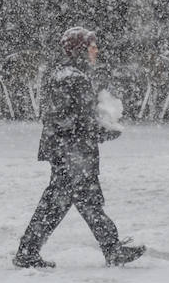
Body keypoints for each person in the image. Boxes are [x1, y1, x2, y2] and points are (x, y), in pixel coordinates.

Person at [13, 26, 146, 269]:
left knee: (81, 201)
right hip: (71, 152)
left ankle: (110, 248)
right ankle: (29, 251)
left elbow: (77, 117)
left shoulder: (72, 74)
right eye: (92, 46)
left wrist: (100, 126)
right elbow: (69, 119)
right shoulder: (71, 78)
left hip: (72, 151)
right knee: (66, 202)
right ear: (80, 49)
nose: (96, 50)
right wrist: (104, 131)